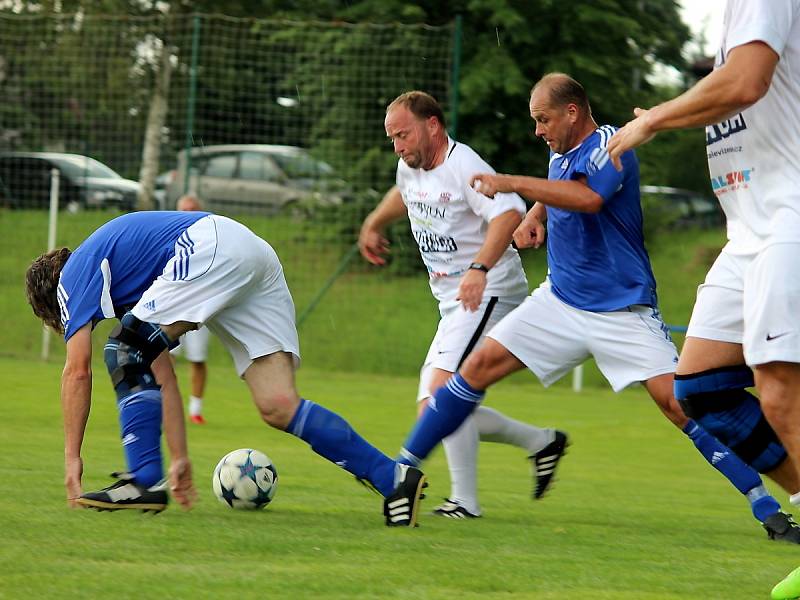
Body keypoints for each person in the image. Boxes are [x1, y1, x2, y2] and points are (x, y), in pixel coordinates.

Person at [391, 72, 800, 540]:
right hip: (560, 300)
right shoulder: (559, 150)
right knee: (476, 367)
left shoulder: (612, 143)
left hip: (621, 310)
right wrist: (534, 214)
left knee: (681, 403)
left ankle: (765, 505)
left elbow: (587, 197)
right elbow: (561, 182)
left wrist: (512, 184)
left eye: (543, 120)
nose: (538, 131)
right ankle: (402, 470)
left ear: (572, 112)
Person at [25, 211, 426, 526]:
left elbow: (77, 371)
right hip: (248, 250)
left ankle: (142, 480)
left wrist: (71, 458)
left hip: (209, 248)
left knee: (123, 350)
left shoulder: (72, 278)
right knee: (278, 404)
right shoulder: (123, 278)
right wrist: (179, 457)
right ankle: (393, 478)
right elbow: (162, 376)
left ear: (52, 303)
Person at [605, 0, 800, 588]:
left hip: (788, 220)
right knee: (702, 390)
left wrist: (654, 119)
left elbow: (744, 83)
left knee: (778, 385)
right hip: (748, 230)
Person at [359, 90, 568, 519]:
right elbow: (405, 192)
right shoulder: (410, 167)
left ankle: (465, 502)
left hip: (489, 292)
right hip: (453, 301)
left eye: (403, 135)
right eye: (392, 138)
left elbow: (509, 212)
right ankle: (540, 442)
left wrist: (478, 268)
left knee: (440, 395)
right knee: (434, 407)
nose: (398, 146)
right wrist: (375, 221)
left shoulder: (464, 166)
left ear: (432, 124)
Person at [170, 194, 211, 425]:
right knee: (167, 356)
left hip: (200, 306)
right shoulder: (168, 235)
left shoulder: (209, 237)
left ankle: (195, 409)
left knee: (197, 358)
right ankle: (167, 402)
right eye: (183, 209)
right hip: (173, 305)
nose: (188, 213)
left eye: (192, 209)